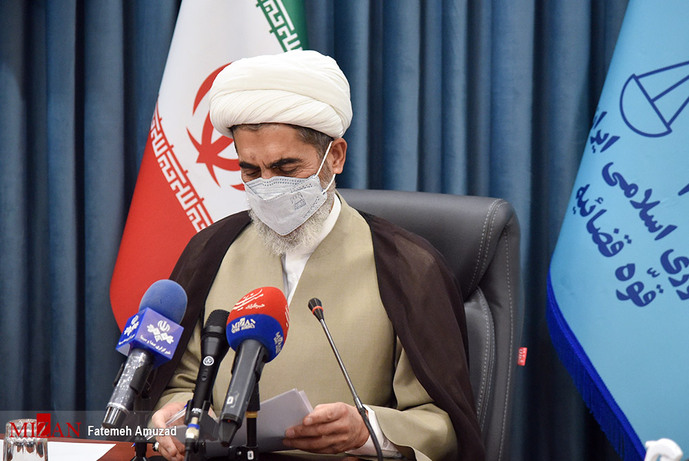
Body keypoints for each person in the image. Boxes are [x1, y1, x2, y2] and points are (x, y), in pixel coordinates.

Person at [148, 50, 484, 461]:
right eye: (251, 171)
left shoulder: (406, 267)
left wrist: (366, 429)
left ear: (335, 156)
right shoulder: (211, 250)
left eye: (287, 168)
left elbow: (442, 425)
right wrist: (174, 416)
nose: (267, 186)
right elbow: (180, 383)